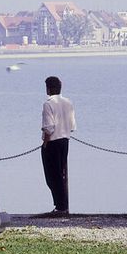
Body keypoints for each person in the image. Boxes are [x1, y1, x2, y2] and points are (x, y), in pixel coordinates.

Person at [40, 76, 76, 217]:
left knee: (52, 175)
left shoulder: (48, 104)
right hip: (65, 141)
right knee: (61, 173)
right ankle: (62, 205)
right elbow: (72, 126)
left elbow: (49, 127)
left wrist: (45, 143)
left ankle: (60, 205)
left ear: (49, 88)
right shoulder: (68, 102)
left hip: (53, 141)